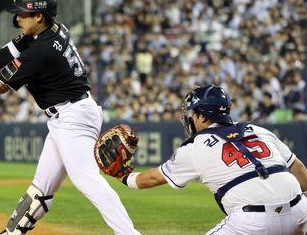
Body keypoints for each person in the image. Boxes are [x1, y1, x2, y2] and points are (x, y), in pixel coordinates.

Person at [0, 0, 140, 234]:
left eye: (23, 14)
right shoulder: (49, 32)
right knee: (41, 188)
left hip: (73, 115)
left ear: (39, 16)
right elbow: (5, 53)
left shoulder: (40, 51)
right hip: (66, 114)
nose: (17, 19)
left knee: (86, 180)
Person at [121, 85, 307, 234]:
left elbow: (153, 178)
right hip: (300, 212)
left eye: (192, 114)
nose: (190, 118)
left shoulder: (195, 147)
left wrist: (123, 176)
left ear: (202, 116)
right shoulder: (258, 130)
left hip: (251, 222)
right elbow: (300, 172)